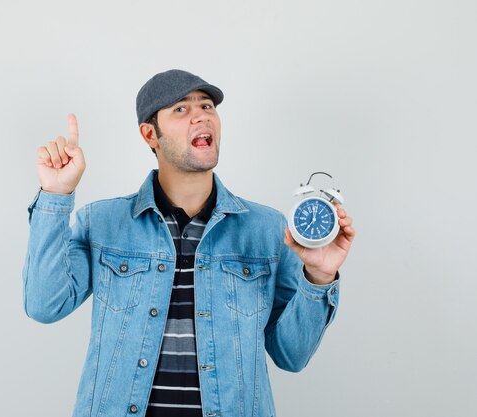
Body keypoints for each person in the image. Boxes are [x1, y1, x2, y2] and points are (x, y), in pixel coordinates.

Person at [22, 69, 355, 417]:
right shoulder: (102, 223)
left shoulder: (268, 230)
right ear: (150, 134)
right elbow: (44, 305)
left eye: (207, 105)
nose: (201, 115)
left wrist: (318, 277)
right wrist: (56, 194)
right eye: (181, 109)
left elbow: (291, 355)